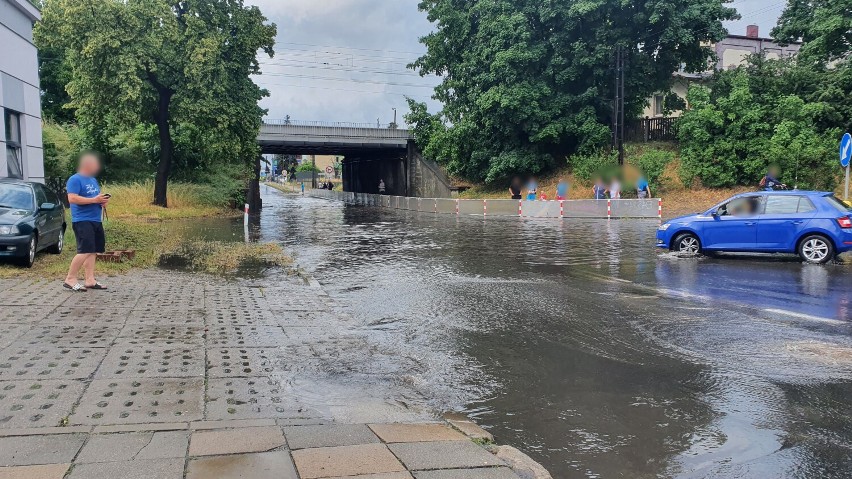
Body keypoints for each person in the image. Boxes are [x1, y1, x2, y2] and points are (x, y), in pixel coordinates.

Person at [63, 152, 110, 292]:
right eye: (95, 164)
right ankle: (70, 278)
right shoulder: (74, 179)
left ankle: (90, 279)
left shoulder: (93, 180)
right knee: (84, 250)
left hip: (95, 219)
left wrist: (102, 201)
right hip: (82, 220)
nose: (97, 167)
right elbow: (72, 199)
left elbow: (95, 197)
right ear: (87, 164)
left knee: (93, 250)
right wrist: (94, 200)